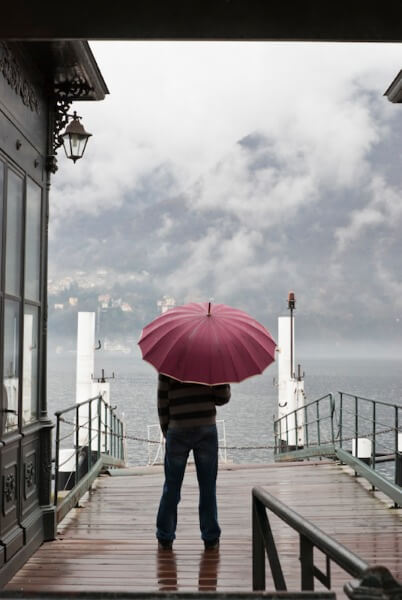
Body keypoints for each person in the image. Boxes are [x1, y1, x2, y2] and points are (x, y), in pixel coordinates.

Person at [156, 373, 231, 550]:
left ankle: (165, 536)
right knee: (207, 487)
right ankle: (210, 537)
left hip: (177, 429)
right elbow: (222, 398)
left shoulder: (168, 363)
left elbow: (162, 401)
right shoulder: (212, 358)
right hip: (206, 428)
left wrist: (167, 429)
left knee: (172, 486)